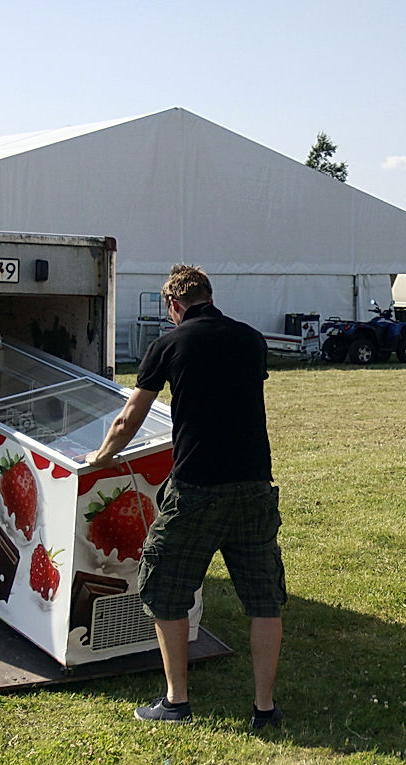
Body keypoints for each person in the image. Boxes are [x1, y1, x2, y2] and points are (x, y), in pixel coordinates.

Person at [86, 264, 285, 728]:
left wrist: (101, 457)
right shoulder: (251, 340)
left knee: (164, 587)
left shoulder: (168, 344)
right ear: (210, 296)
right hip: (254, 486)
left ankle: (176, 702)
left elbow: (128, 420)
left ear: (174, 306)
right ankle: (264, 709)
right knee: (263, 600)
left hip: (195, 488)